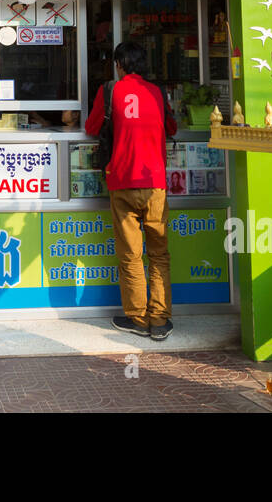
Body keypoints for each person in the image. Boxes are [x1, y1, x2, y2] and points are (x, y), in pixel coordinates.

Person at [85, 41, 177, 340]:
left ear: (119, 64)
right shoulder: (158, 92)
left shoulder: (110, 91)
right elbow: (172, 128)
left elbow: (91, 127)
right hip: (155, 185)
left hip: (122, 182)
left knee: (131, 255)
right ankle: (160, 320)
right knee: (159, 255)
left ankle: (137, 318)